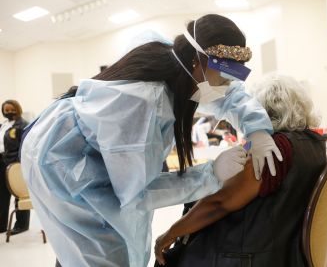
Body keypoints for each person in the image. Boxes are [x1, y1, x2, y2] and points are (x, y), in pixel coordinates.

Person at [21, 14, 282, 267]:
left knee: (89, 245)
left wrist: (256, 127)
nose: (225, 87)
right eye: (223, 78)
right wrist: (210, 174)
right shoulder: (142, 102)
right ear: (197, 61)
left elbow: (229, 94)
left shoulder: (174, 57)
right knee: (98, 249)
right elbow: (136, 194)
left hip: (73, 145)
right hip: (61, 164)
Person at [154, 74, 327, 267]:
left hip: (247, 253)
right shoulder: (314, 144)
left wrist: (170, 233)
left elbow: (219, 203)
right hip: (281, 250)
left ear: (262, 110)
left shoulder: (274, 149)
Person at [0, 100, 30, 234]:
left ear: (18, 109)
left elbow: (25, 145)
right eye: (6, 111)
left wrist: (20, 161)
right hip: (2, 161)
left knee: (20, 194)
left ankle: (22, 225)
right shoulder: (3, 125)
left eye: (12, 110)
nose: (9, 113)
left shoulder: (22, 125)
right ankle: (1, 225)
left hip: (15, 163)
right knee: (2, 195)